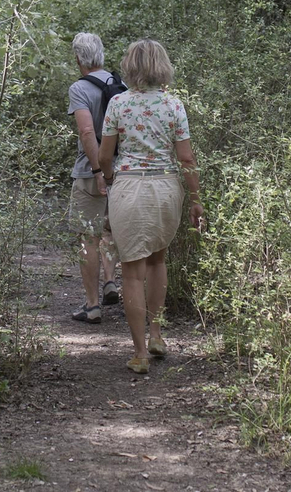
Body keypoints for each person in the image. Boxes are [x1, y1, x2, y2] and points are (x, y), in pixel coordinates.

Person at [97, 39, 203, 373]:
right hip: (166, 189)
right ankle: (157, 335)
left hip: (130, 188)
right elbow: (185, 157)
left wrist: (110, 177)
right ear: (162, 66)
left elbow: (104, 155)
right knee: (158, 259)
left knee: (131, 269)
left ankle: (140, 353)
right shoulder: (174, 105)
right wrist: (196, 199)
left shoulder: (118, 104)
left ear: (130, 66)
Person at [66, 32, 120, 323]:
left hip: (91, 172)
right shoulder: (118, 83)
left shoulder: (79, 88)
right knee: (110, 229)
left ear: (78, 58)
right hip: (121, 171)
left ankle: (92, 305)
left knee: (89, 236)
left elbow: (87, 132)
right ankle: (111, 280)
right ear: (100, 54)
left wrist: (98, 171)